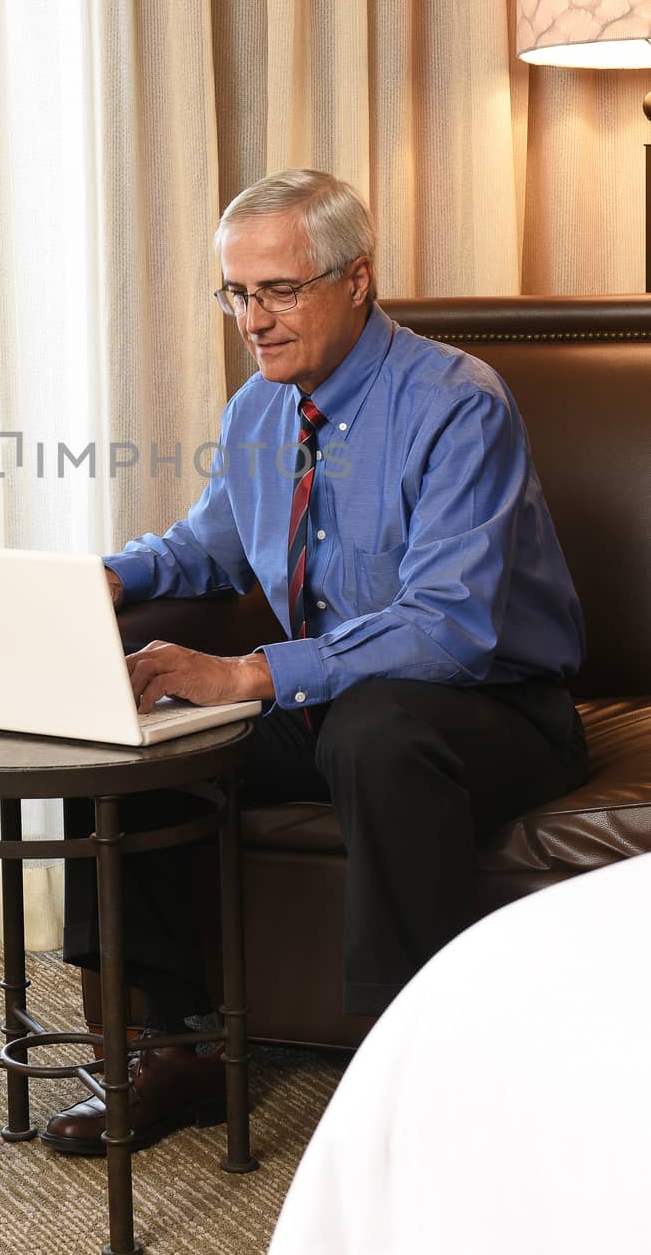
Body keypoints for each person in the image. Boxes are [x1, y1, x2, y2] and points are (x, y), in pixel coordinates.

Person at [40, 168, 589, 1158]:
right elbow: (211, 546)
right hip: (333, 703)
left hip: (499, 709)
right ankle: (173, 1045)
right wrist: (103, 580)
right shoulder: (258, 409)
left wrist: (248, 673)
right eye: (238, 293)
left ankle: (411, 1073)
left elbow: (449, 627)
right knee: (132, 714)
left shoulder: (457, 404)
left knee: (379, 727)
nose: (253, 318)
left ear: (356, 279)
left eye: (279, 290)